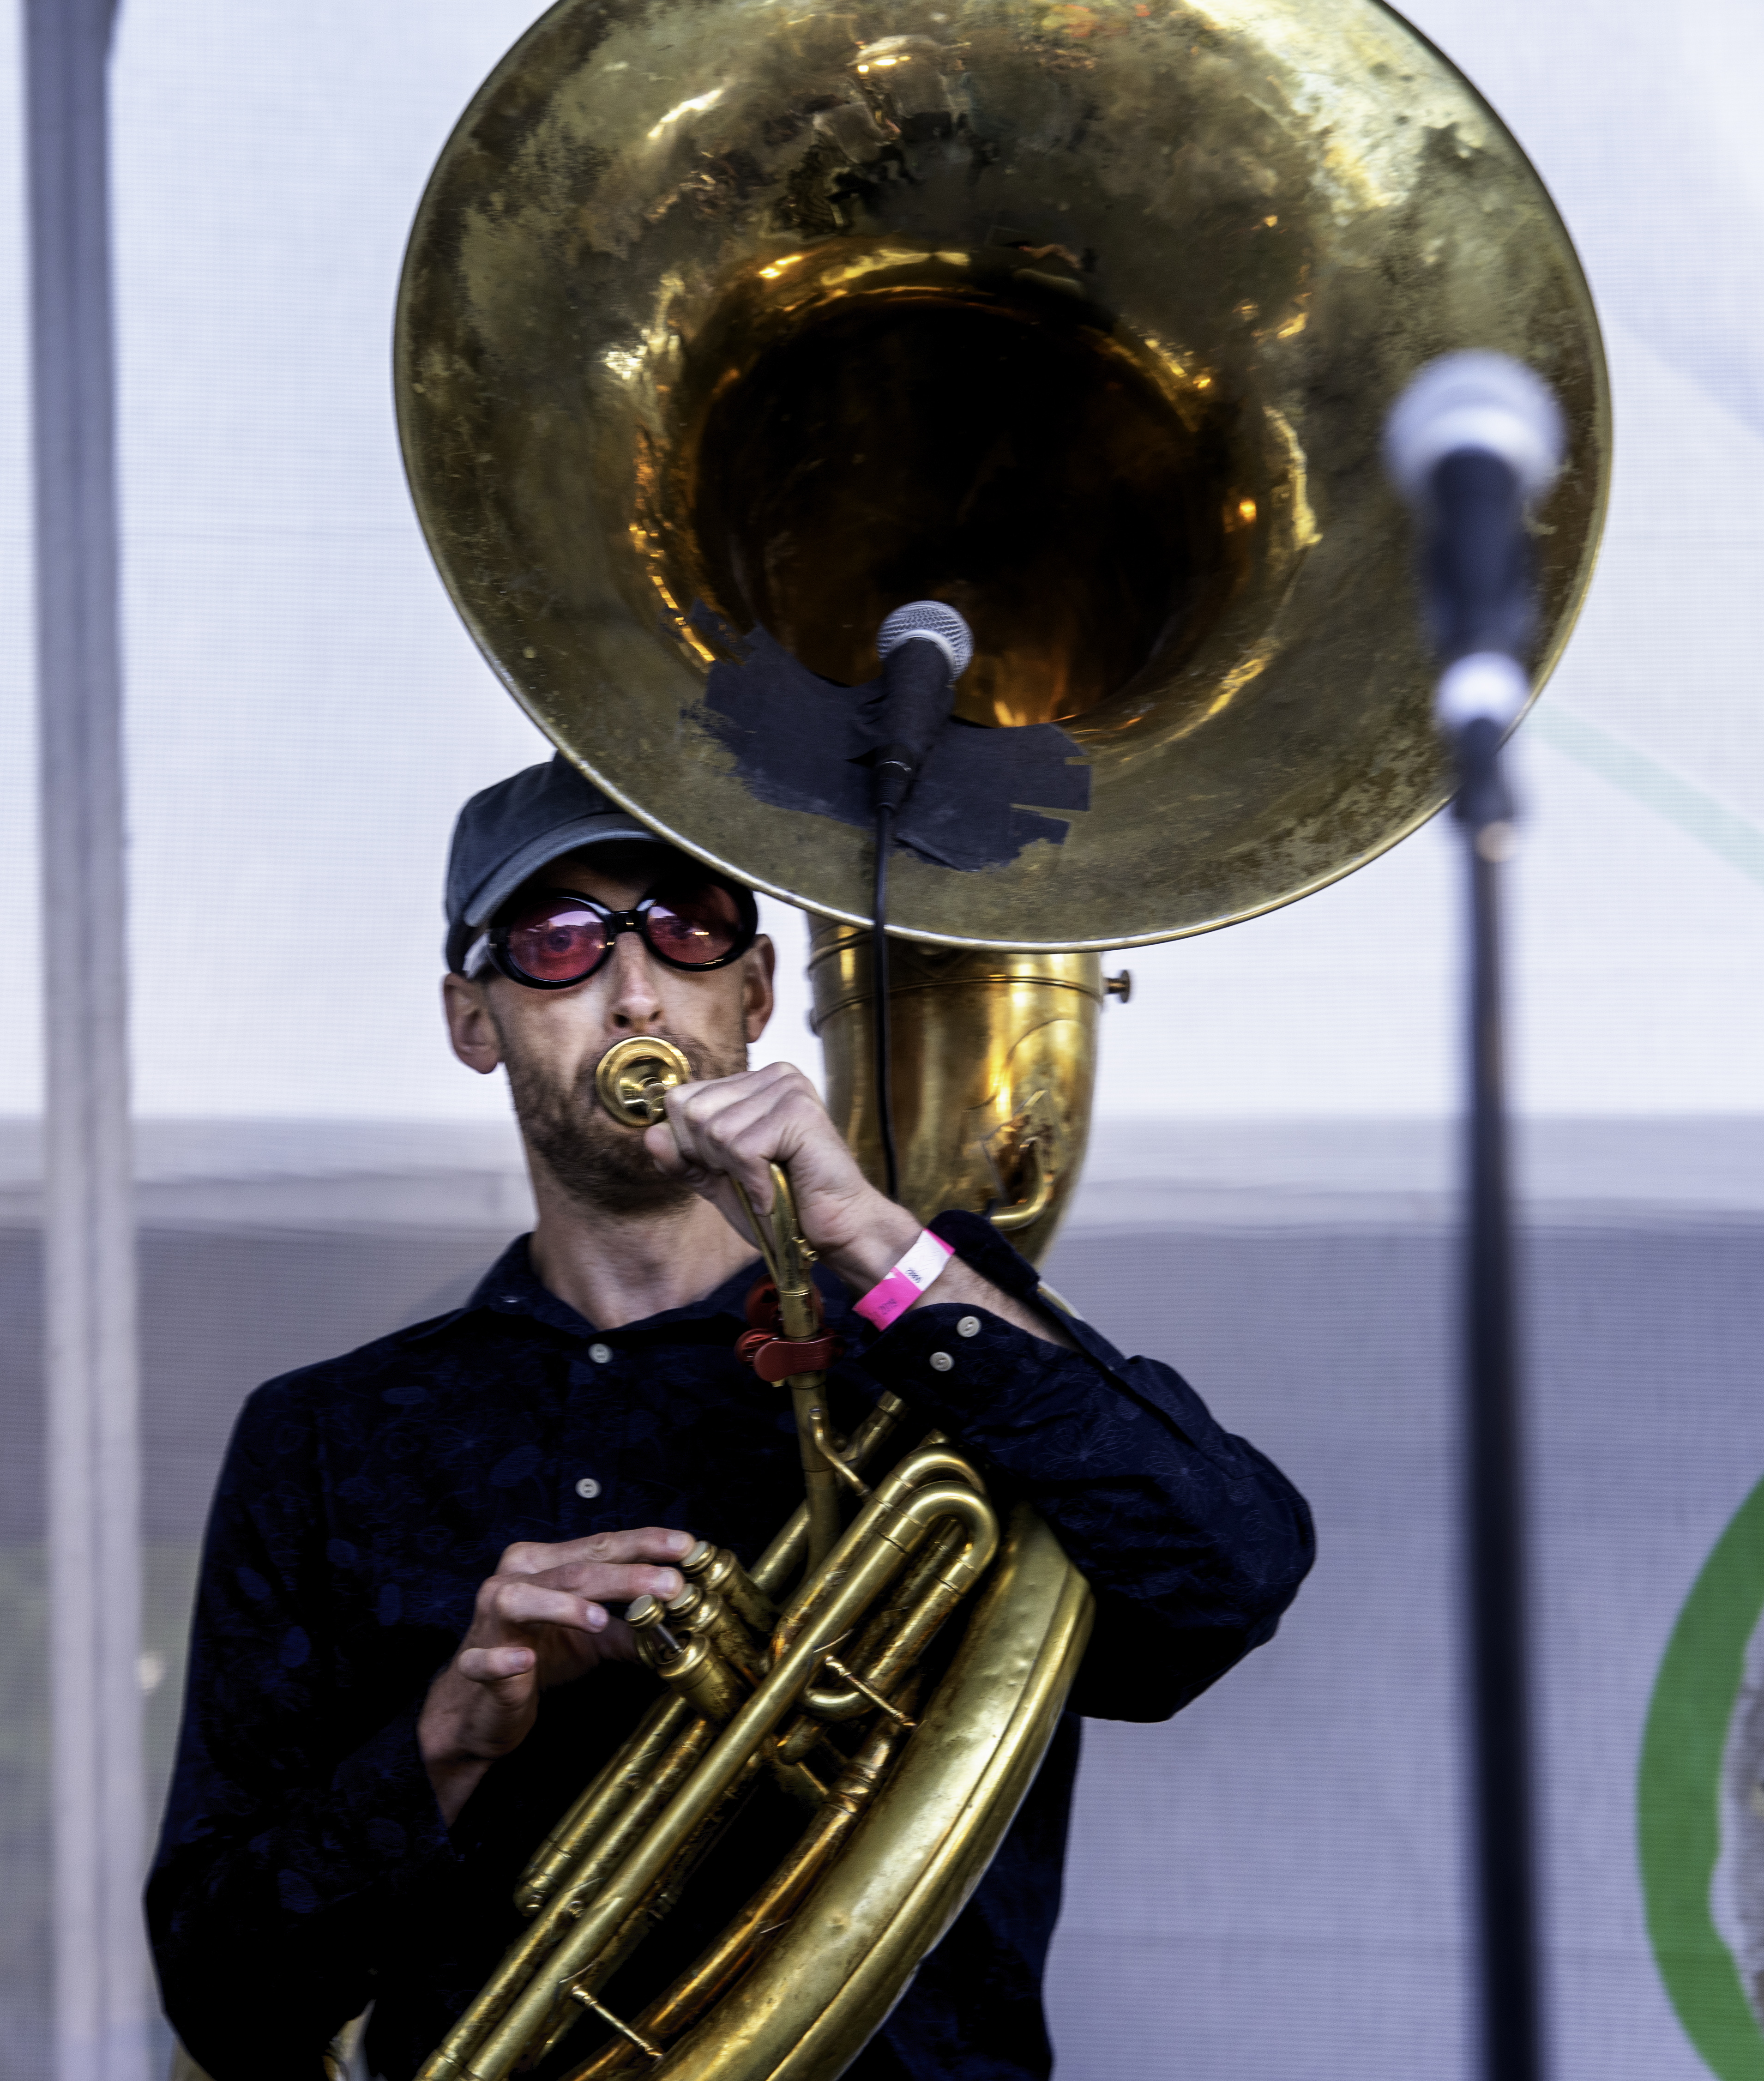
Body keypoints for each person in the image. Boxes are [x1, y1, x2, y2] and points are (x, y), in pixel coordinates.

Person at [148, 753, 1315, 2081]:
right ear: (475, 1020)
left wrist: (871, 1236)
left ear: (755, 994)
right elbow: (223, 1997)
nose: (635, 988)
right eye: (559, 942)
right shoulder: (326, 1439)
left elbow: (1232, 1574)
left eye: (688, 928)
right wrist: (447, 1741)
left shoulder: (931, 1354)